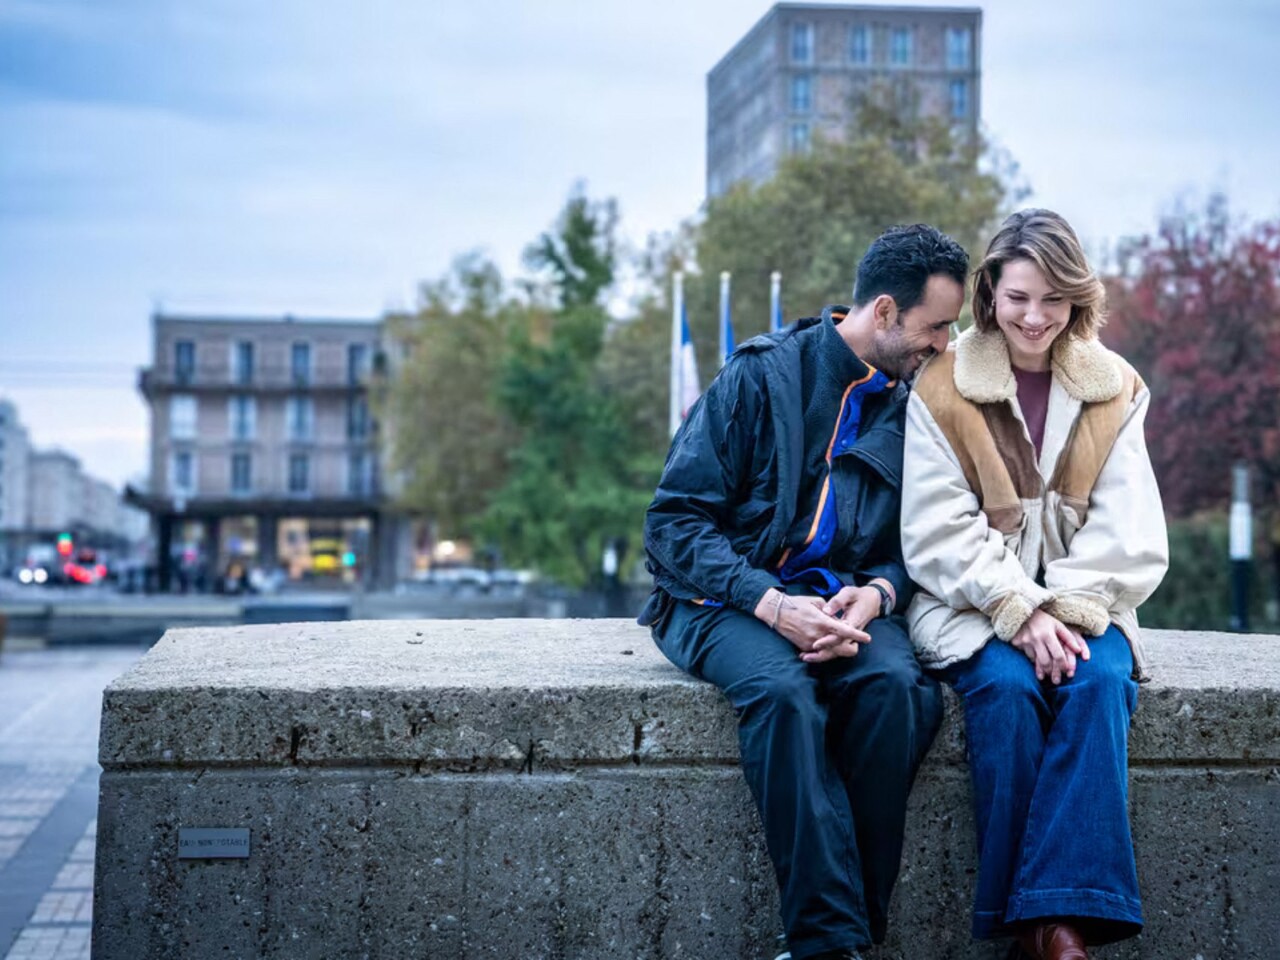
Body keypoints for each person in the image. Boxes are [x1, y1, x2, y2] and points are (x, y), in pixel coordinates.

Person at [640, 224, 968, 960]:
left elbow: (919, 542)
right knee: (784, 693)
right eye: (936, 326)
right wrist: (771, 604)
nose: (944, 344)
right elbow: (672, 523)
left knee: (897, 691)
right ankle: (826, 942)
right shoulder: (759, 376)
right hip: (719, 599)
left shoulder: (915, 406)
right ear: (885, 312)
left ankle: (848, 937)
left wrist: (879, 592)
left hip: (842, 600)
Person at [900, 209, 1169, 960]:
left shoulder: (1117, 387)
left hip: (1088, 603)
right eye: (1018, 297)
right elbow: (937, 529)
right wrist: (1018, 607)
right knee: (1007, 689)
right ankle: (1052, 931)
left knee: (1100, 682)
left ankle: (1048, 925)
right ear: (991, 292)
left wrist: (1062, 609)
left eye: (1054, 299)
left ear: (1078, 298)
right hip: (972, 602)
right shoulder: (943, 384)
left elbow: (1129, 528)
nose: (1034, 317)